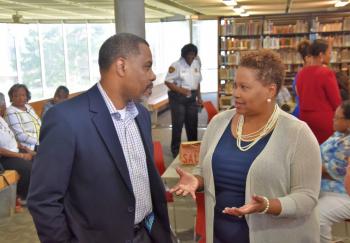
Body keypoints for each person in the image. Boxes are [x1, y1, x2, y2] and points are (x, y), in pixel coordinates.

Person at [27, 33, 171, 243]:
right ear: (121, 66)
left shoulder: (141, 116)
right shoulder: (67, 119)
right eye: (147, 66)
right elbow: (43, 200)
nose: (153, 76)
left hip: (147, 234)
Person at [170, 49, 321, 243]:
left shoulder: (297, 133)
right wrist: (197, 181)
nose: (235, 94)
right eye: (235, 86)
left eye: (244, 87)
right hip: (219, 235)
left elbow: (307, 198)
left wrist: (267, 205)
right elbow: (203, 169)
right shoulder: (218, 122)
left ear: (270, 90)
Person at [297, 39, 342, 144]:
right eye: (329, 53)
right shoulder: (326, 73)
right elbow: (336, 102)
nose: (330, 56)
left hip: (304, 119)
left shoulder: (301, 73)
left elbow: (300, 96)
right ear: (321, 55)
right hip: (324, 121)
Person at [318, 101, 350, 243]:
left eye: (337, 118)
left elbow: (332, 171)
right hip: (329, 185)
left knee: (317, 216)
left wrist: (305, 165)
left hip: (343, 192)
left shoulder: (348, 143)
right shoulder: (339, 134)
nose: (333, 120)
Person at [165, 43, 203, 157]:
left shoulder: (196, 64)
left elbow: (198, 82)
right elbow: (167, 82)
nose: (191, 57)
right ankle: (175, 150)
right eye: (189, 55)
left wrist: (199, 97)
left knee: (192, 124)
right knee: (178, 124)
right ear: (184, 55)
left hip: (191, 98)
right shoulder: (176, 65)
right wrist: (181, 90)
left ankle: (193, 148)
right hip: (177, 98)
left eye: (193, 54)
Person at [0, 92, 34, 203]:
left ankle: (37, 191)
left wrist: (25, 148)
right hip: (5, 157)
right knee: (28, 168)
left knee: (40, 159)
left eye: (4, 104)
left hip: (15, 150)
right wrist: (21, 155)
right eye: (2, 105)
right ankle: (22, 197)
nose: (4, 107)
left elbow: (11, 138)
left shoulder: (1, 119)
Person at [5, 84, 41, 151]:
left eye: (23, 95)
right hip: (29, 147)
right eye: (16, 96)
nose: (21, 98)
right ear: (11, 98)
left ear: (27, 96)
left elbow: (39, 123)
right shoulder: (10, 112)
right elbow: (20, 136)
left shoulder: (28, 107)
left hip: (40, 140)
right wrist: (40, 142)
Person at [291, 39, 312, 117]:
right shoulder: (303, 75)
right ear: (307, 58)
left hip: (300, 111)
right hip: (304, 113)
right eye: (314, 57)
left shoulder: (299, 74)